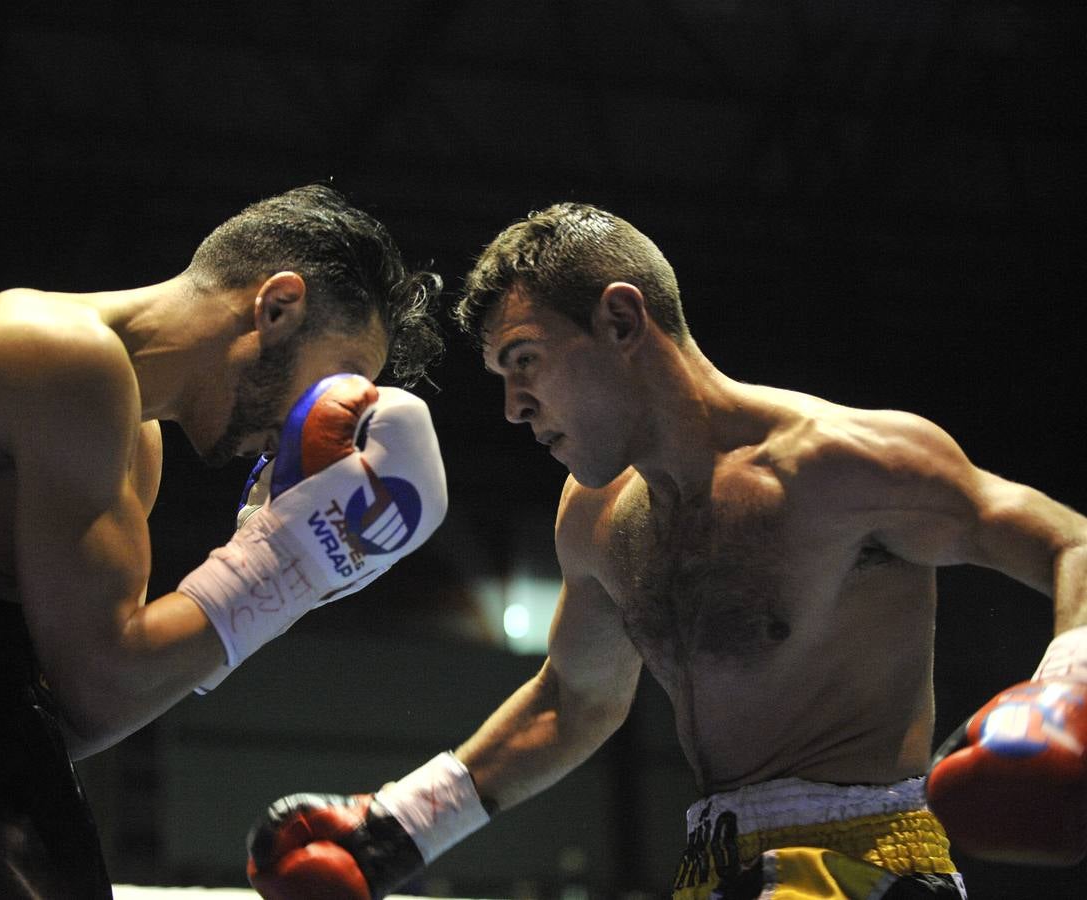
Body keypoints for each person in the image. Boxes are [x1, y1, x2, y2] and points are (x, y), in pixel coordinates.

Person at [245, 202, 1087, 899]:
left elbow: (1069, 540)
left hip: (862, 865)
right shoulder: (597, 510)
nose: (514, 407)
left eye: (525, 361)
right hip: (714, 869)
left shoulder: (838, 465)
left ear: (619, 318)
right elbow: (572, 701)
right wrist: (400, 828)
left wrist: (1066, 693)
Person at [0, 184, 450, 899]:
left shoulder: (136, 445)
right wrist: (299, 556)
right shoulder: (61, 353)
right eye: (337, 383)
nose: (317, 429)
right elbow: (103, 681)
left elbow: (82, 709)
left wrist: (300, 566)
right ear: (277, 306)